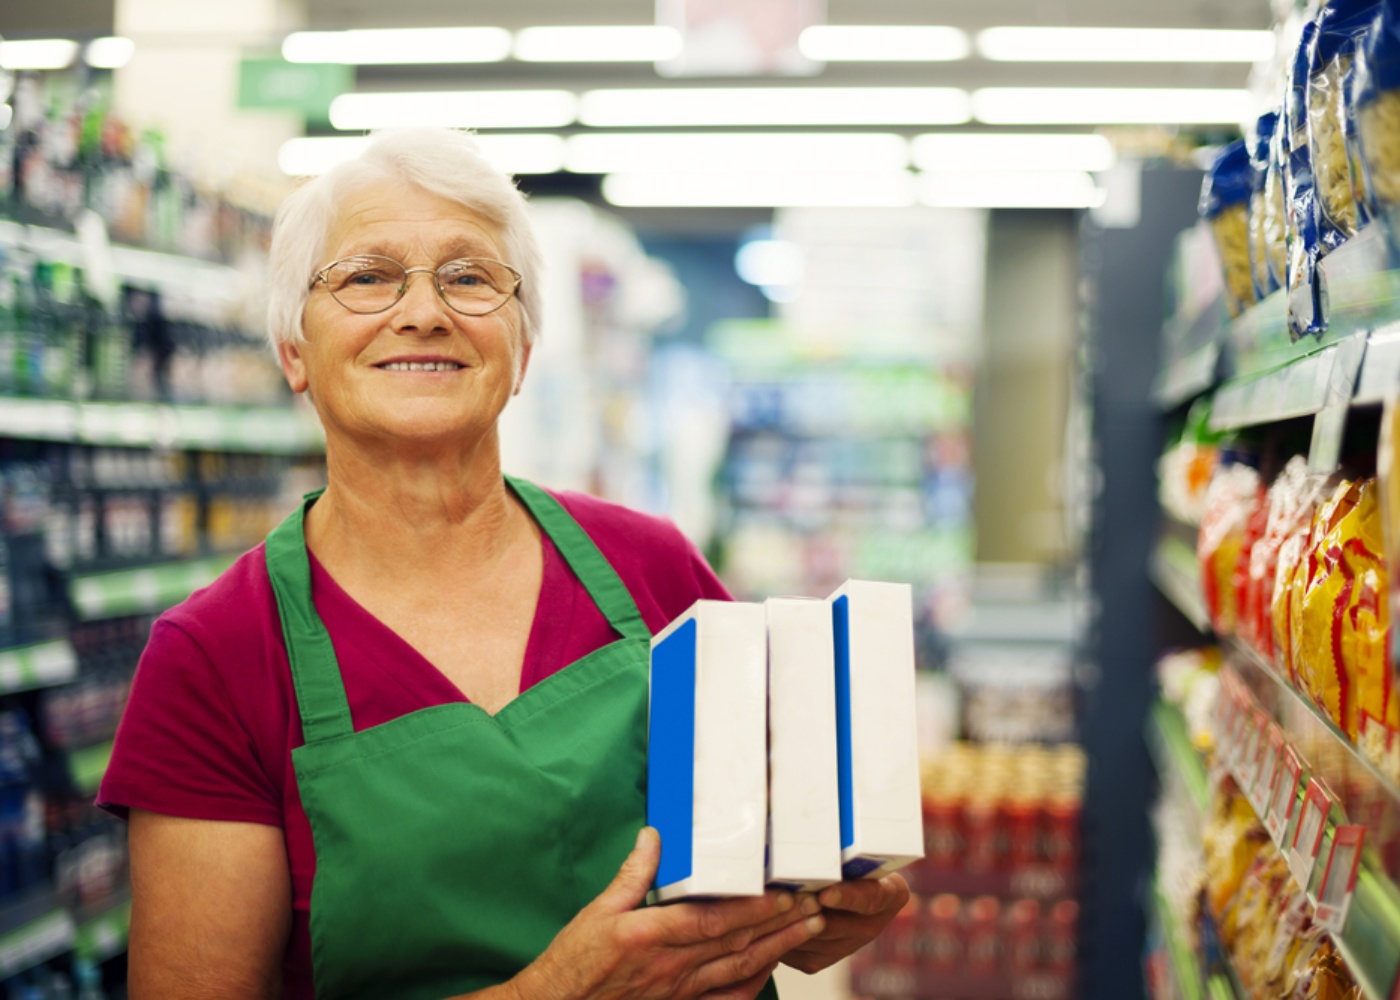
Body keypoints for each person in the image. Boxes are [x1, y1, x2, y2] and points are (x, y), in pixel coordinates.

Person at [98, 127, 908, 1000]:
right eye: (367, 276)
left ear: (521, 350)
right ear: (293, 349)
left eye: (470, 277)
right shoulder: (216, 657)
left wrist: (821, 905)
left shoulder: (655, 571)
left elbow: (782, 846)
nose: (424, 311)